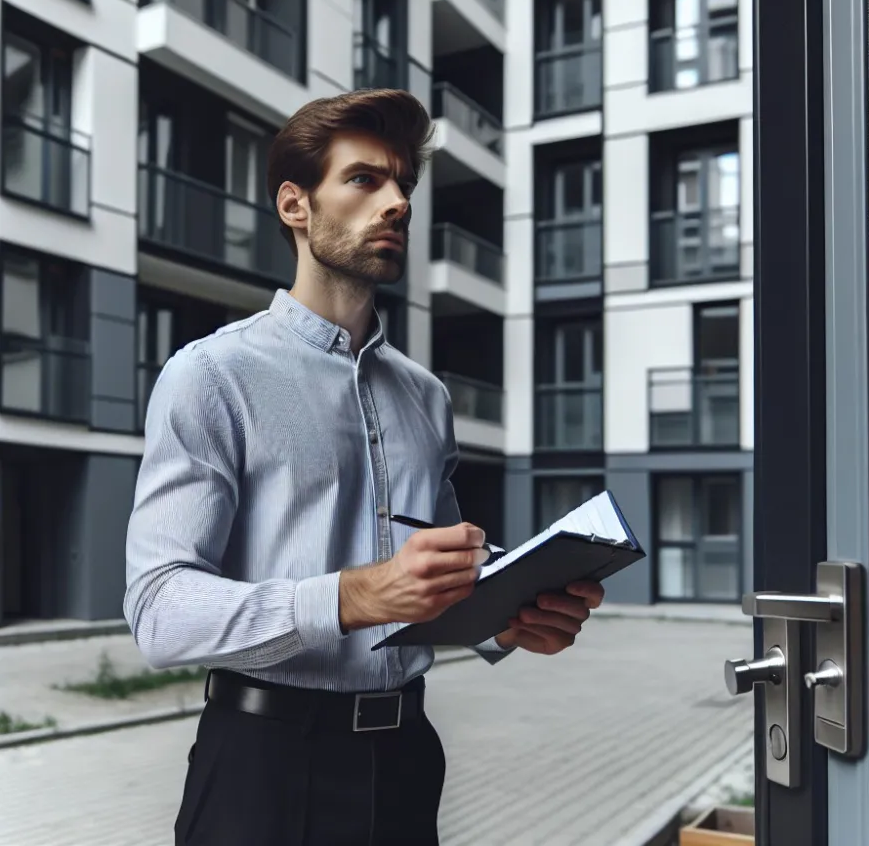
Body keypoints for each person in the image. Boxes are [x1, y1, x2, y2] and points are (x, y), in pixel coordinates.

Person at [123, 88, 605, 846]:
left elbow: (433, 594)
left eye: (404, 185)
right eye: (363, 180)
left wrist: (509, 621)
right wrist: (350, 596)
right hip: (263, 765)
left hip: (407, 759)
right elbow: (158, 610)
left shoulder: (426, 397)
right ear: (295, 205)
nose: (396, 204)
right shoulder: (211, 376)